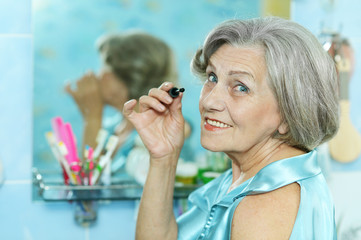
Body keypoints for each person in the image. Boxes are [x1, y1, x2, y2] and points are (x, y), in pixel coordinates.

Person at [123, 17, 339, 239]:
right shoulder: (241, 179)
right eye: (212, 77)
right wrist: (164, 158)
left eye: (241, 87)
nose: (209, 101)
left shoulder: (264, 202)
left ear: (289, 113)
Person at [65, 31, 180, 172]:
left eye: (104, 67)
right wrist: (91, 117)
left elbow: (89, 179)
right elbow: (88, 178)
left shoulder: (164, 129)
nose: (98, 76)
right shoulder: (113, 128)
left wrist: (92, 117)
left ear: (130, 77)